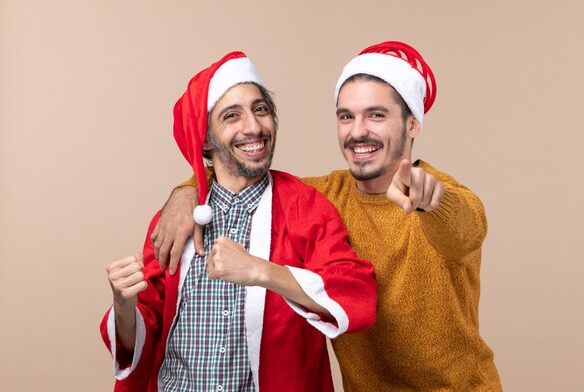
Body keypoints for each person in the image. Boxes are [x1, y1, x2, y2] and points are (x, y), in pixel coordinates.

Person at [153, 41, 502, 391]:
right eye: (346, 116)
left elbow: (464, 229)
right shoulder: (321, 197)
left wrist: (433, 199)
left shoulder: (444, 195)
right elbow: (244, 175)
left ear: (412, 124)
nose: (358, 131)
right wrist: (188, 190)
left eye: (376, 115)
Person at [101, 51, 377, 392]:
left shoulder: (305, 207)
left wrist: (261, 271)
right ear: (203, 139)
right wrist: (124, 307)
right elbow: (145, 331)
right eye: (232, 116)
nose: (253, 127)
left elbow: (357, 297)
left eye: (260, 109)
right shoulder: (174, 220)